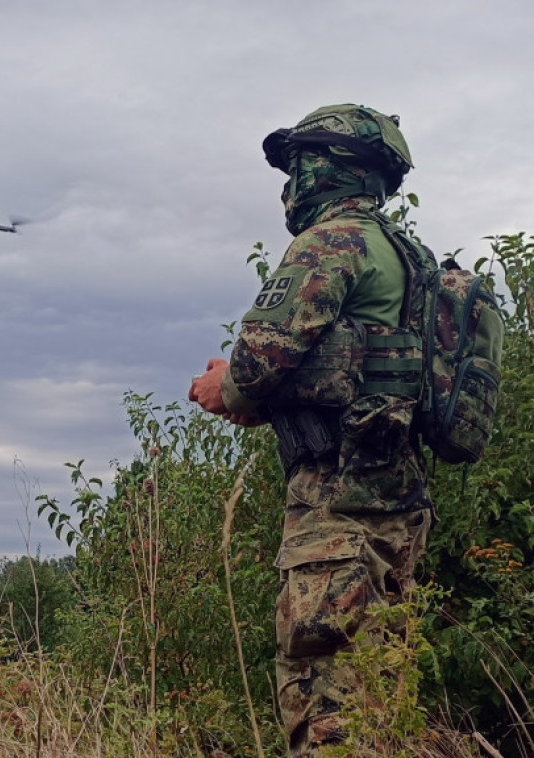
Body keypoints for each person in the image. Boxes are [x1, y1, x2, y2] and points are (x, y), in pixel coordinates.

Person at [189, 104, 434, 756]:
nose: (289, 185)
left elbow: (259, 360)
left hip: (337, 506)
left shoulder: (334, 242)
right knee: (380, 694)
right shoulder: (409, 257)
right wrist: (271, 401)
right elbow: (361, 373)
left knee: (327, 699)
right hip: (397, 503)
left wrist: (227, 388)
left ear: (327, 167)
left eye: (296, 166)